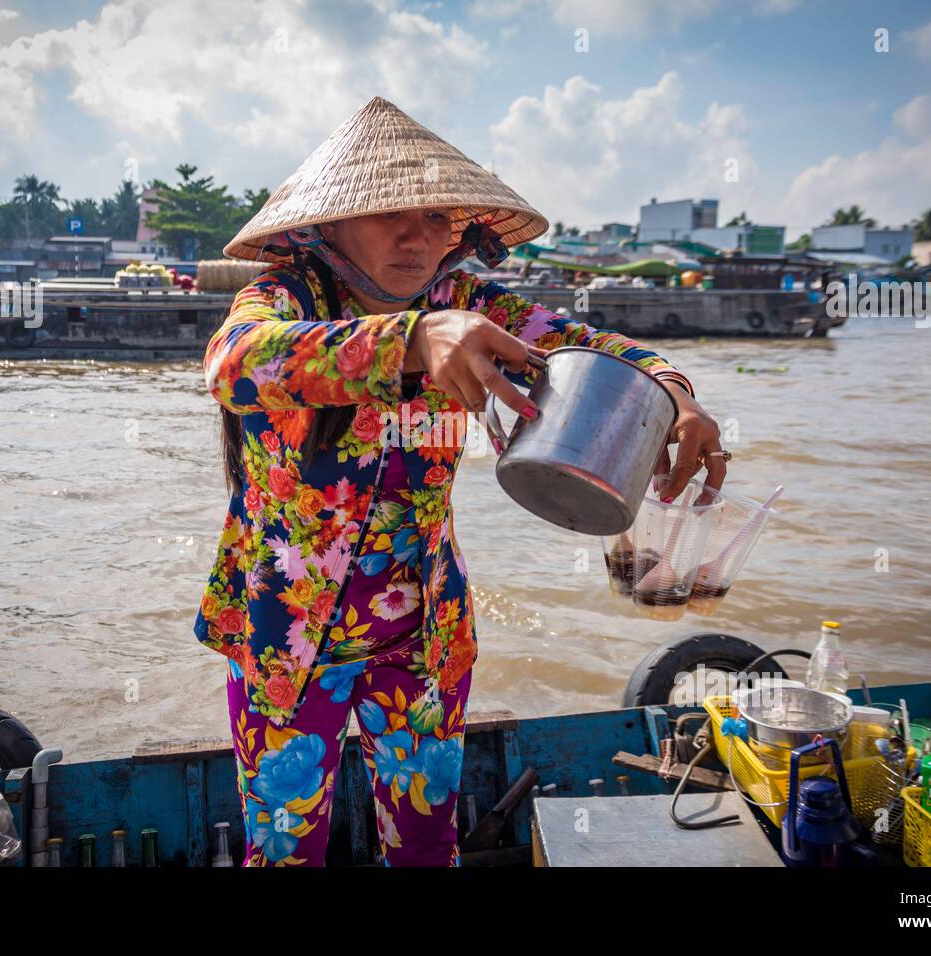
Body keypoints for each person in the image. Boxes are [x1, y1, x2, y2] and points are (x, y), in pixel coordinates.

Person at [194, 97, 728, 866]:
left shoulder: (471, 305)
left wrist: (676, 395)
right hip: (286, 630)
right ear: (330, 226)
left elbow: (597, 349)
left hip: (422, 630)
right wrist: (410, 339)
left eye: (437, 221)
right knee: (283, 852)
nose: (417, 239)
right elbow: (234, 363)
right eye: (391, 216)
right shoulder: (289, 296)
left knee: (425, 845)